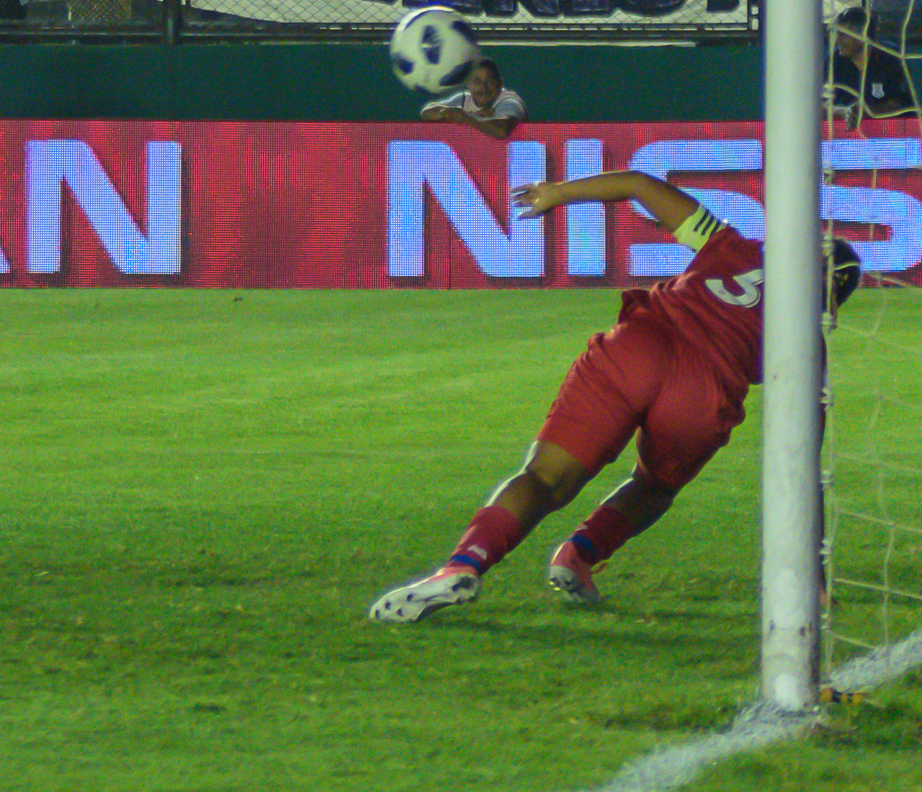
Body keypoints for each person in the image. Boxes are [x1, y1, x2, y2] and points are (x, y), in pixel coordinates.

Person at [368, 172, 863, 623]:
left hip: (640, 349)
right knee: (654, 486)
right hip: (702, 394)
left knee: (544, 478)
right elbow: (802, 469)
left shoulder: (731, 246)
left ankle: (462, 564)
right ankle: (579, 555)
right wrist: (812, 574)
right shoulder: (807, 345)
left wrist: (557, 195)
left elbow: (639, 185)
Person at [829, 6, 915, 123]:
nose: (836, 41)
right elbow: (820, 105)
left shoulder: (891, 57)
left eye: (843, 35)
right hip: (854, 132)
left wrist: (864, 113)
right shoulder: (834, 61)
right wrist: (844, 112)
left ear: (862, 36)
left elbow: (898, 105)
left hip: (895, 131)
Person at [418, 59, 525, 141]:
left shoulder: (509, 101)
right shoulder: (464, 99)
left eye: (490, 81)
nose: (484, 88)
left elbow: (502, 130)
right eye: (477, 82)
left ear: (500, 83)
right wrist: (465, 114)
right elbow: (427, 112)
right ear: (469, 85)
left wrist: (467, 118)